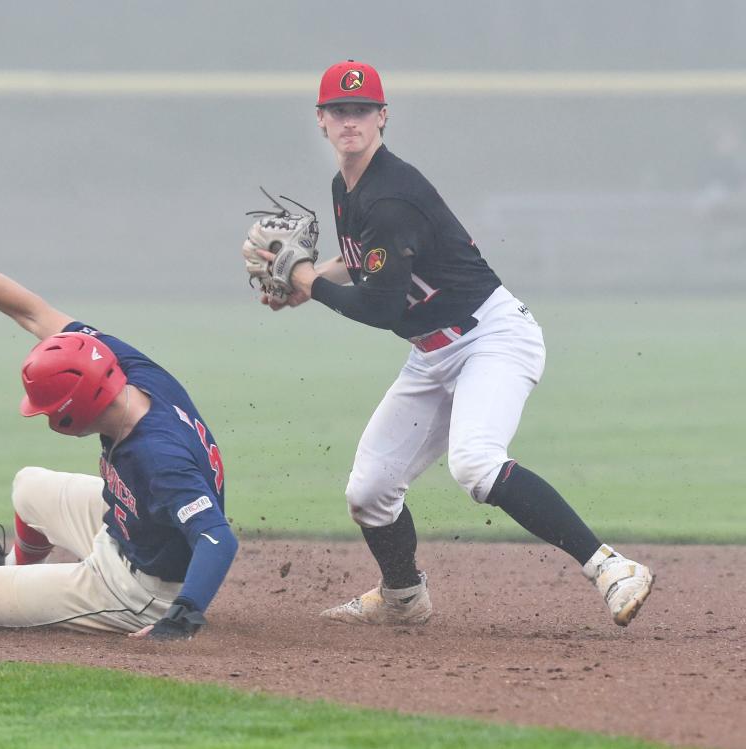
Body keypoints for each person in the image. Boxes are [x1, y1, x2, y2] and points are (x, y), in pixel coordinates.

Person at [246, 60, 653, 627]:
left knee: (476, 463)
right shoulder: (348, 186)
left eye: (361, 110)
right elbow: (366, 262)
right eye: (339, 110)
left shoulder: (392, 197)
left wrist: (307, 281)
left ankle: (611, 567)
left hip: (492, 338)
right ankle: (403, 598)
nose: (350, 120)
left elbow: (382, 306)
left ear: (382, 117)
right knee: (369, 492)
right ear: (321, 120)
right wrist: (310, 281)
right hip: (433, 352)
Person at [0, 227, 237, 640]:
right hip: (135, 527)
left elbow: (217, 538)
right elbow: (32, 313)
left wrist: (181, 619)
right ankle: (14, 571)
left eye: (49, 411)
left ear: (73, 414)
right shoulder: (129, 369)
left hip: (144, 589)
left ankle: (81, 592)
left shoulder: (157, 457)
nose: (45, 418)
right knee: (28, 485)